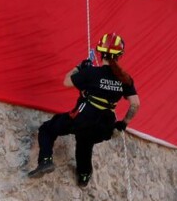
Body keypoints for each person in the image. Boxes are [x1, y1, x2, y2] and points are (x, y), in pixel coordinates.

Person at [27, 32, 141, 188]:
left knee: (48, 129)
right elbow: (135, 104)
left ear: (101, 53)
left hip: (83, 117)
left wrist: (79, 67)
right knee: (85, 142)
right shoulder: (125, 79)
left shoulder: (91, 73)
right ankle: (84, 175)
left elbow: (66, 82)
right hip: (105, 126)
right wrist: (123, 124)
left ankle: (45, 160)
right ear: (119, 55)